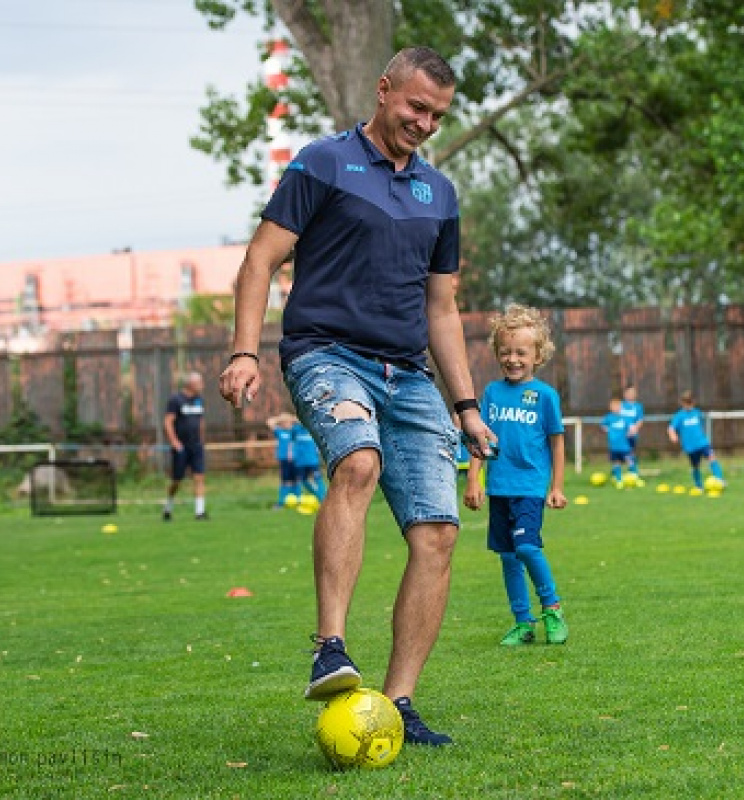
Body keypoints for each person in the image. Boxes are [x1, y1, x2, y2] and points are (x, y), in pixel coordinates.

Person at [218, 46, 495, 746]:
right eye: (415, 107)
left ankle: (398, 703)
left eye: (438, 115)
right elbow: (260, 258)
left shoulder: (440, 194)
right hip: (326, 354)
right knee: (359, 464)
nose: (425, 123)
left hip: (410, 375)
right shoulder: (324, 163)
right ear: (383, 91)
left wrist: (466, 406)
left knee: (437, 534)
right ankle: (331, 647)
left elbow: (441, 308)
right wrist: (244, 352)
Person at [463, 305, 569, 647]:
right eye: (505, 351)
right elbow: (484, 439)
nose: (512, 359)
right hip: (499, 487)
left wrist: (557, 487)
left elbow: (557, 444)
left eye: (521, 352)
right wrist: (474, 480)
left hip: (530, 486)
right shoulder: (492, 394)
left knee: (525, 547)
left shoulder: (545, 396)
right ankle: (523, 622)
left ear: (538, 356)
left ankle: (552, 607)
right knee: (508, 556)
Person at [162, 371, 208, 520]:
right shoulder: (176, 400)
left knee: (199, 477)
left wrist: (201, 439)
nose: (202, 386)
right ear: (190, 384)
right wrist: (175, 443)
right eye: (199, 383)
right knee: (177, 480)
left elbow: (200, 420)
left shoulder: (199, 400)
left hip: (196, 446)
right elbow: (168, 422)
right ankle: (168, 508)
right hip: (181, 446)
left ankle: (199, 512)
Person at [668, 390, 726, 489]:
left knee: (712, 457)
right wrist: (673, 435)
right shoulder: (679, 416)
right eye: (686, 403)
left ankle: (719, 479)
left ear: (693, 402)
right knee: (695, 465)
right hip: (690, 446)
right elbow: (671, 428)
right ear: (682, 403)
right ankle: (699, 486)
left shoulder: (697, 413)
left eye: (690, 403)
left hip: (702, 443)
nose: (688, 405)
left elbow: (700, 425)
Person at [600, 397, 641, 488]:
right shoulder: (608, 417)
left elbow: (631, 427)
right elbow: (603, 426)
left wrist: (631, 432)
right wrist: (608, 431)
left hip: (624, 446)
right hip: (614, 446)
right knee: (616, 462)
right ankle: (618, 479)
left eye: (618, 406)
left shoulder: (624, 418)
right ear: (610, 407)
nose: (616, 408)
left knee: (630, 460)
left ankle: (635, 477)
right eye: (614, 406)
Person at [267, 411, 299, 508]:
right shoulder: (280, 431)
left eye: (287, 422)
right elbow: (269, 422)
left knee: (296, 480)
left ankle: (297, 501)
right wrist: (280, 419)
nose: (286, 424)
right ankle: (281, 502)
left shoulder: (295, 430)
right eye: (284, 422)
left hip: (295, 459)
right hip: (284, 459)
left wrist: (291, 418)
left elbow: (300, 421)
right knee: (285, 481)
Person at [291, 419, 327, 502]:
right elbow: (291, 441)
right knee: (303, 481)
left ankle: (324, 499)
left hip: (312, 460)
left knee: (318, 479)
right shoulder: (295, 429)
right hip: (300, 461)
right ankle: (318, 497)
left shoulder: (313, 429)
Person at [620, 384, 645, 473]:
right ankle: (617, 471)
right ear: (625, 394)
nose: (631, 394)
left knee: (630, 451)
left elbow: (640, 419)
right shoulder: (621, 405)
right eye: (629, 393)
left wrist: (634, 428)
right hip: (620, 433)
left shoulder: (638, 407)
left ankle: (632, 470)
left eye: (633, 393)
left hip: (632, 433)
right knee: (620, 452)